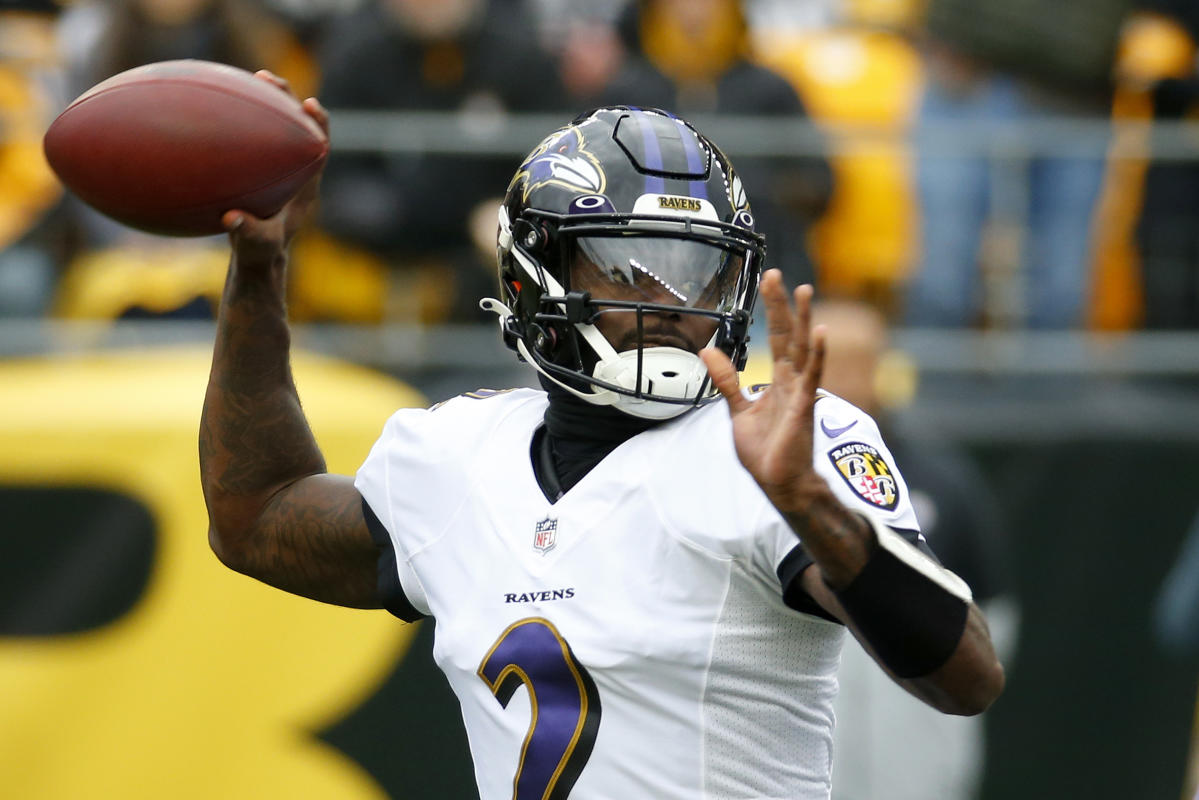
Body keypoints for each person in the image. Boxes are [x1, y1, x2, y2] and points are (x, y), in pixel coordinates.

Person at [199, 73, 1004, 799]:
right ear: (528, 279)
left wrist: (810, 504)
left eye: (700, 274)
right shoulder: (457, 455)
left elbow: (963, 677)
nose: (671, 307)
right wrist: (260, 271)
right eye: (625, 269)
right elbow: (255, 516)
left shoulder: (775, 441)